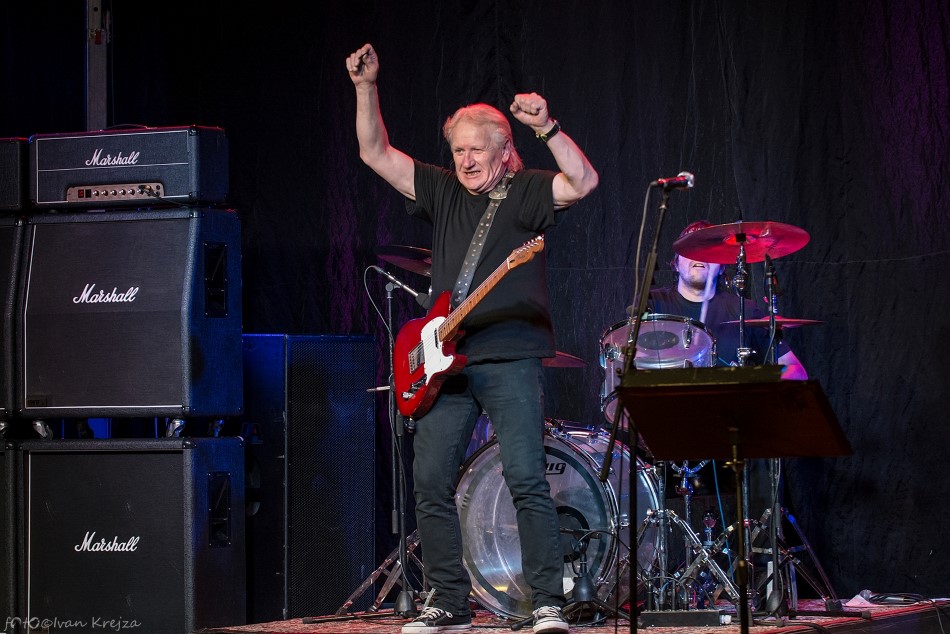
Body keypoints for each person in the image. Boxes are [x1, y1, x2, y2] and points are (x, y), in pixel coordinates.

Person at [346, 43, 599, 634]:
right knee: (431, 482)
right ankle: (448, 602)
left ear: (504, 150)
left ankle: (546, 602)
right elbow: (373, 152)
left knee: (526, 478)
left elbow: (583, 182)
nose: (465, 161)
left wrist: (548, 128)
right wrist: (365, 88)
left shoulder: (528, 190)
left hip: (509, 356)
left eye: (476, 150)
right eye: (458, 150)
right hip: (445, 363)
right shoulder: (441, 189)